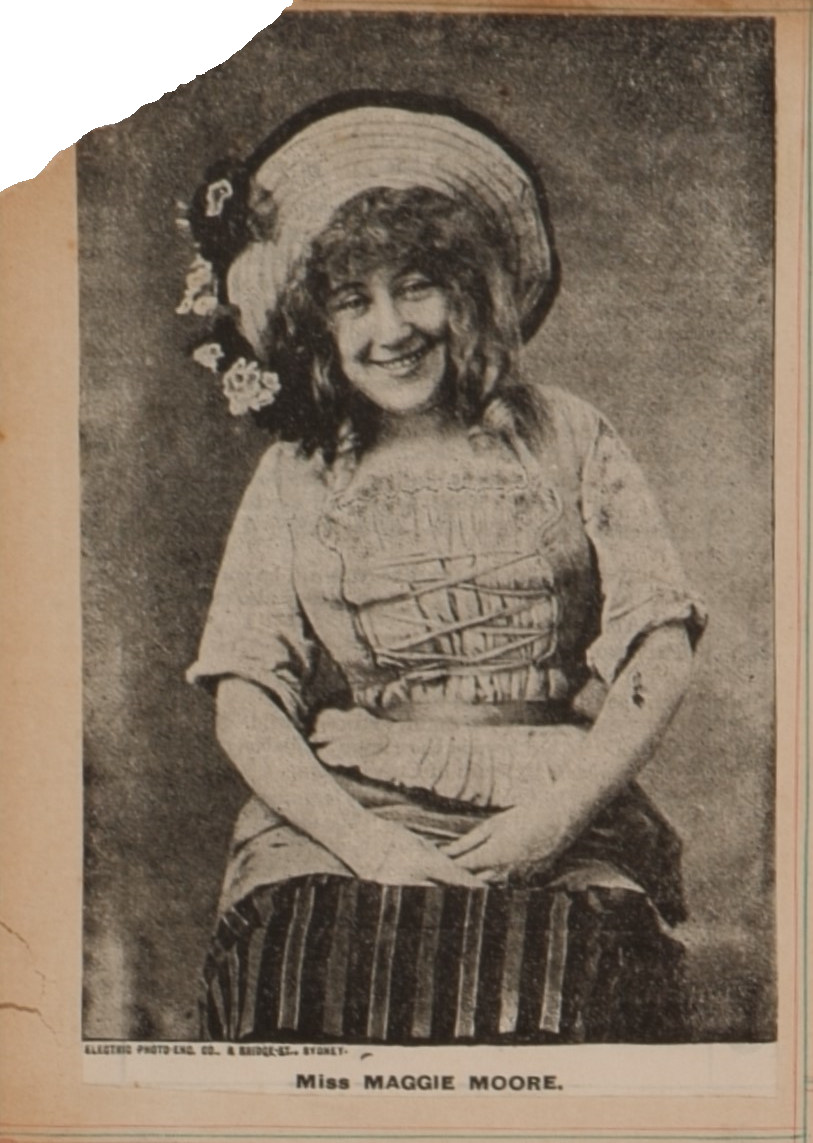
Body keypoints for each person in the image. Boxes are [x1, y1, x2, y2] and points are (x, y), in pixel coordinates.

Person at [178, 93, 706, 1044]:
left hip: (557, 799)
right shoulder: (298, 472)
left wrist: (553, 819)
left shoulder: (568, 432)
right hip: (351, 805)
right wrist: (367, 843)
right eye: (354, 299)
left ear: (468, 291)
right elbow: (244, 694)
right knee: (297, 953)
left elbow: (659, 646)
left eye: (417, 284)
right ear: (318, 328)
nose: (392, 328)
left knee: (574, 971)